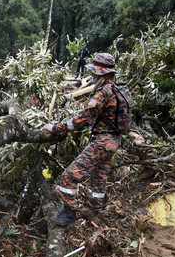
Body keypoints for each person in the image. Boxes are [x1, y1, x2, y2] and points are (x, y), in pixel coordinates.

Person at [42, 53, 132, 226]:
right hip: (113, 141)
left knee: (68, 177)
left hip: (102, 142)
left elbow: (86, 116)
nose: (92, 76)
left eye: (94, 73)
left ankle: (69, 215)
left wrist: (58, 127)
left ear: (100, 73)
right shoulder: (119, 88)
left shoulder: (104, 91)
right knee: (99, 176)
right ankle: (94, 210)